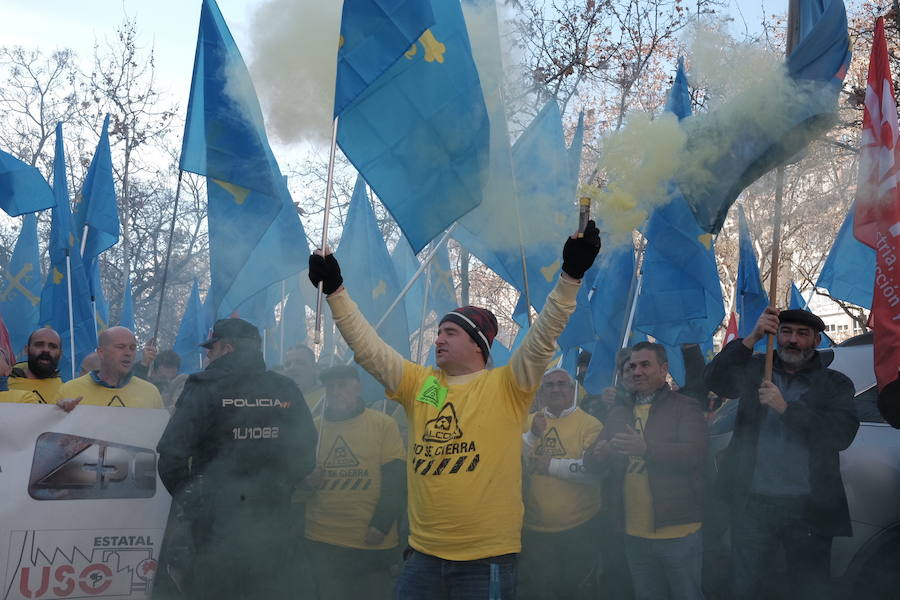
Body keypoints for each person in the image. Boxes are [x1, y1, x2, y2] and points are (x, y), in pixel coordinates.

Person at [309, 221, 601, 599]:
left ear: (479, 345)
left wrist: (571, 275)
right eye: (439, 332)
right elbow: (369, 350)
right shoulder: (427, 386)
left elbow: (544, 334)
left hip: (487, 559)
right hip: (423, 556)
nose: (439, 338)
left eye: (451, 332)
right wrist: (336, 292)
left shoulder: (507, 386)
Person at [156, 317, 318, 600]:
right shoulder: (285, 388)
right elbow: (306, 452)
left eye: (212, 348)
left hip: (218, 530)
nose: (209, 354)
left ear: (227, 348)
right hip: (274, 522)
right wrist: (279, 486)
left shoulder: (203, 386)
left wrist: (198, 503)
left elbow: (171, 455)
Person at [703, 307, 859, 600]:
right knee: (745, 586)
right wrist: (752, 337)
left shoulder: (835, 383)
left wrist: (785, 408)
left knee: (809, 588)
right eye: (786, 332)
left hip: (808, 510)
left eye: (802, 334)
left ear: (815, 340)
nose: (792, 340)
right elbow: (714, 380)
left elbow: (840, 435)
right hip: (753, 506)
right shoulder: (757, 370)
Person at [586, 342, 708, 600]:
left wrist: (646, 449)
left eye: (645, 364)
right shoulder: (619, 412)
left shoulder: (684, 406)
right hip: (634, 533)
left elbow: (696, 454)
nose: (637, 371)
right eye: (631, 366)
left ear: (664, 369)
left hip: (677, 531)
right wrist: (597, 456)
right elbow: (593, 462)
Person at [303, 365, 405, 600]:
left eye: (342, 385)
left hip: (371, 541)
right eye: (330, 387)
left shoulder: (382, 424)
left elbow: (395, 478)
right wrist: (306, 481)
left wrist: (381, 524)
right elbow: (296, 477)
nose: (335, 392)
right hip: (322, 539)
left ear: (357, 387)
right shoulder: (314, 428)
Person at [520, 368, 604, 600]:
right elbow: (511, 464)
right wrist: (532, 436)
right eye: (549, 385)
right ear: (541, 392)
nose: (556, 389)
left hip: (580, 530)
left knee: (577, 592)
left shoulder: (590, 424)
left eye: (561, 384)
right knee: (540, 593)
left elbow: (593, 472)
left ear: (572, 389)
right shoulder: (528, 422)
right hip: (535, 532)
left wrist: (551, 466)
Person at [53, 326, 163, 410]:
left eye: (132, 348)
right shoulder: (69, 390)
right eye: (121, 347)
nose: (128, 353)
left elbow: (161, 437)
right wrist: (61, 414)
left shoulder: (150, 393)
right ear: (101, 352)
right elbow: (49, 436)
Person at [5, 327, 64, 403]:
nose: (45, 350)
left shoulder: (66, 391)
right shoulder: (5, 384)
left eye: (52, 346)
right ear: (26, 350)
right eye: (39, 345)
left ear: (60, 354)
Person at [283, 344, 325, 416]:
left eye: (299, 363)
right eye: (287, 364)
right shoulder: (275, 400)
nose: (291, 368)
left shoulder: (327, 398)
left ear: (315, 369)